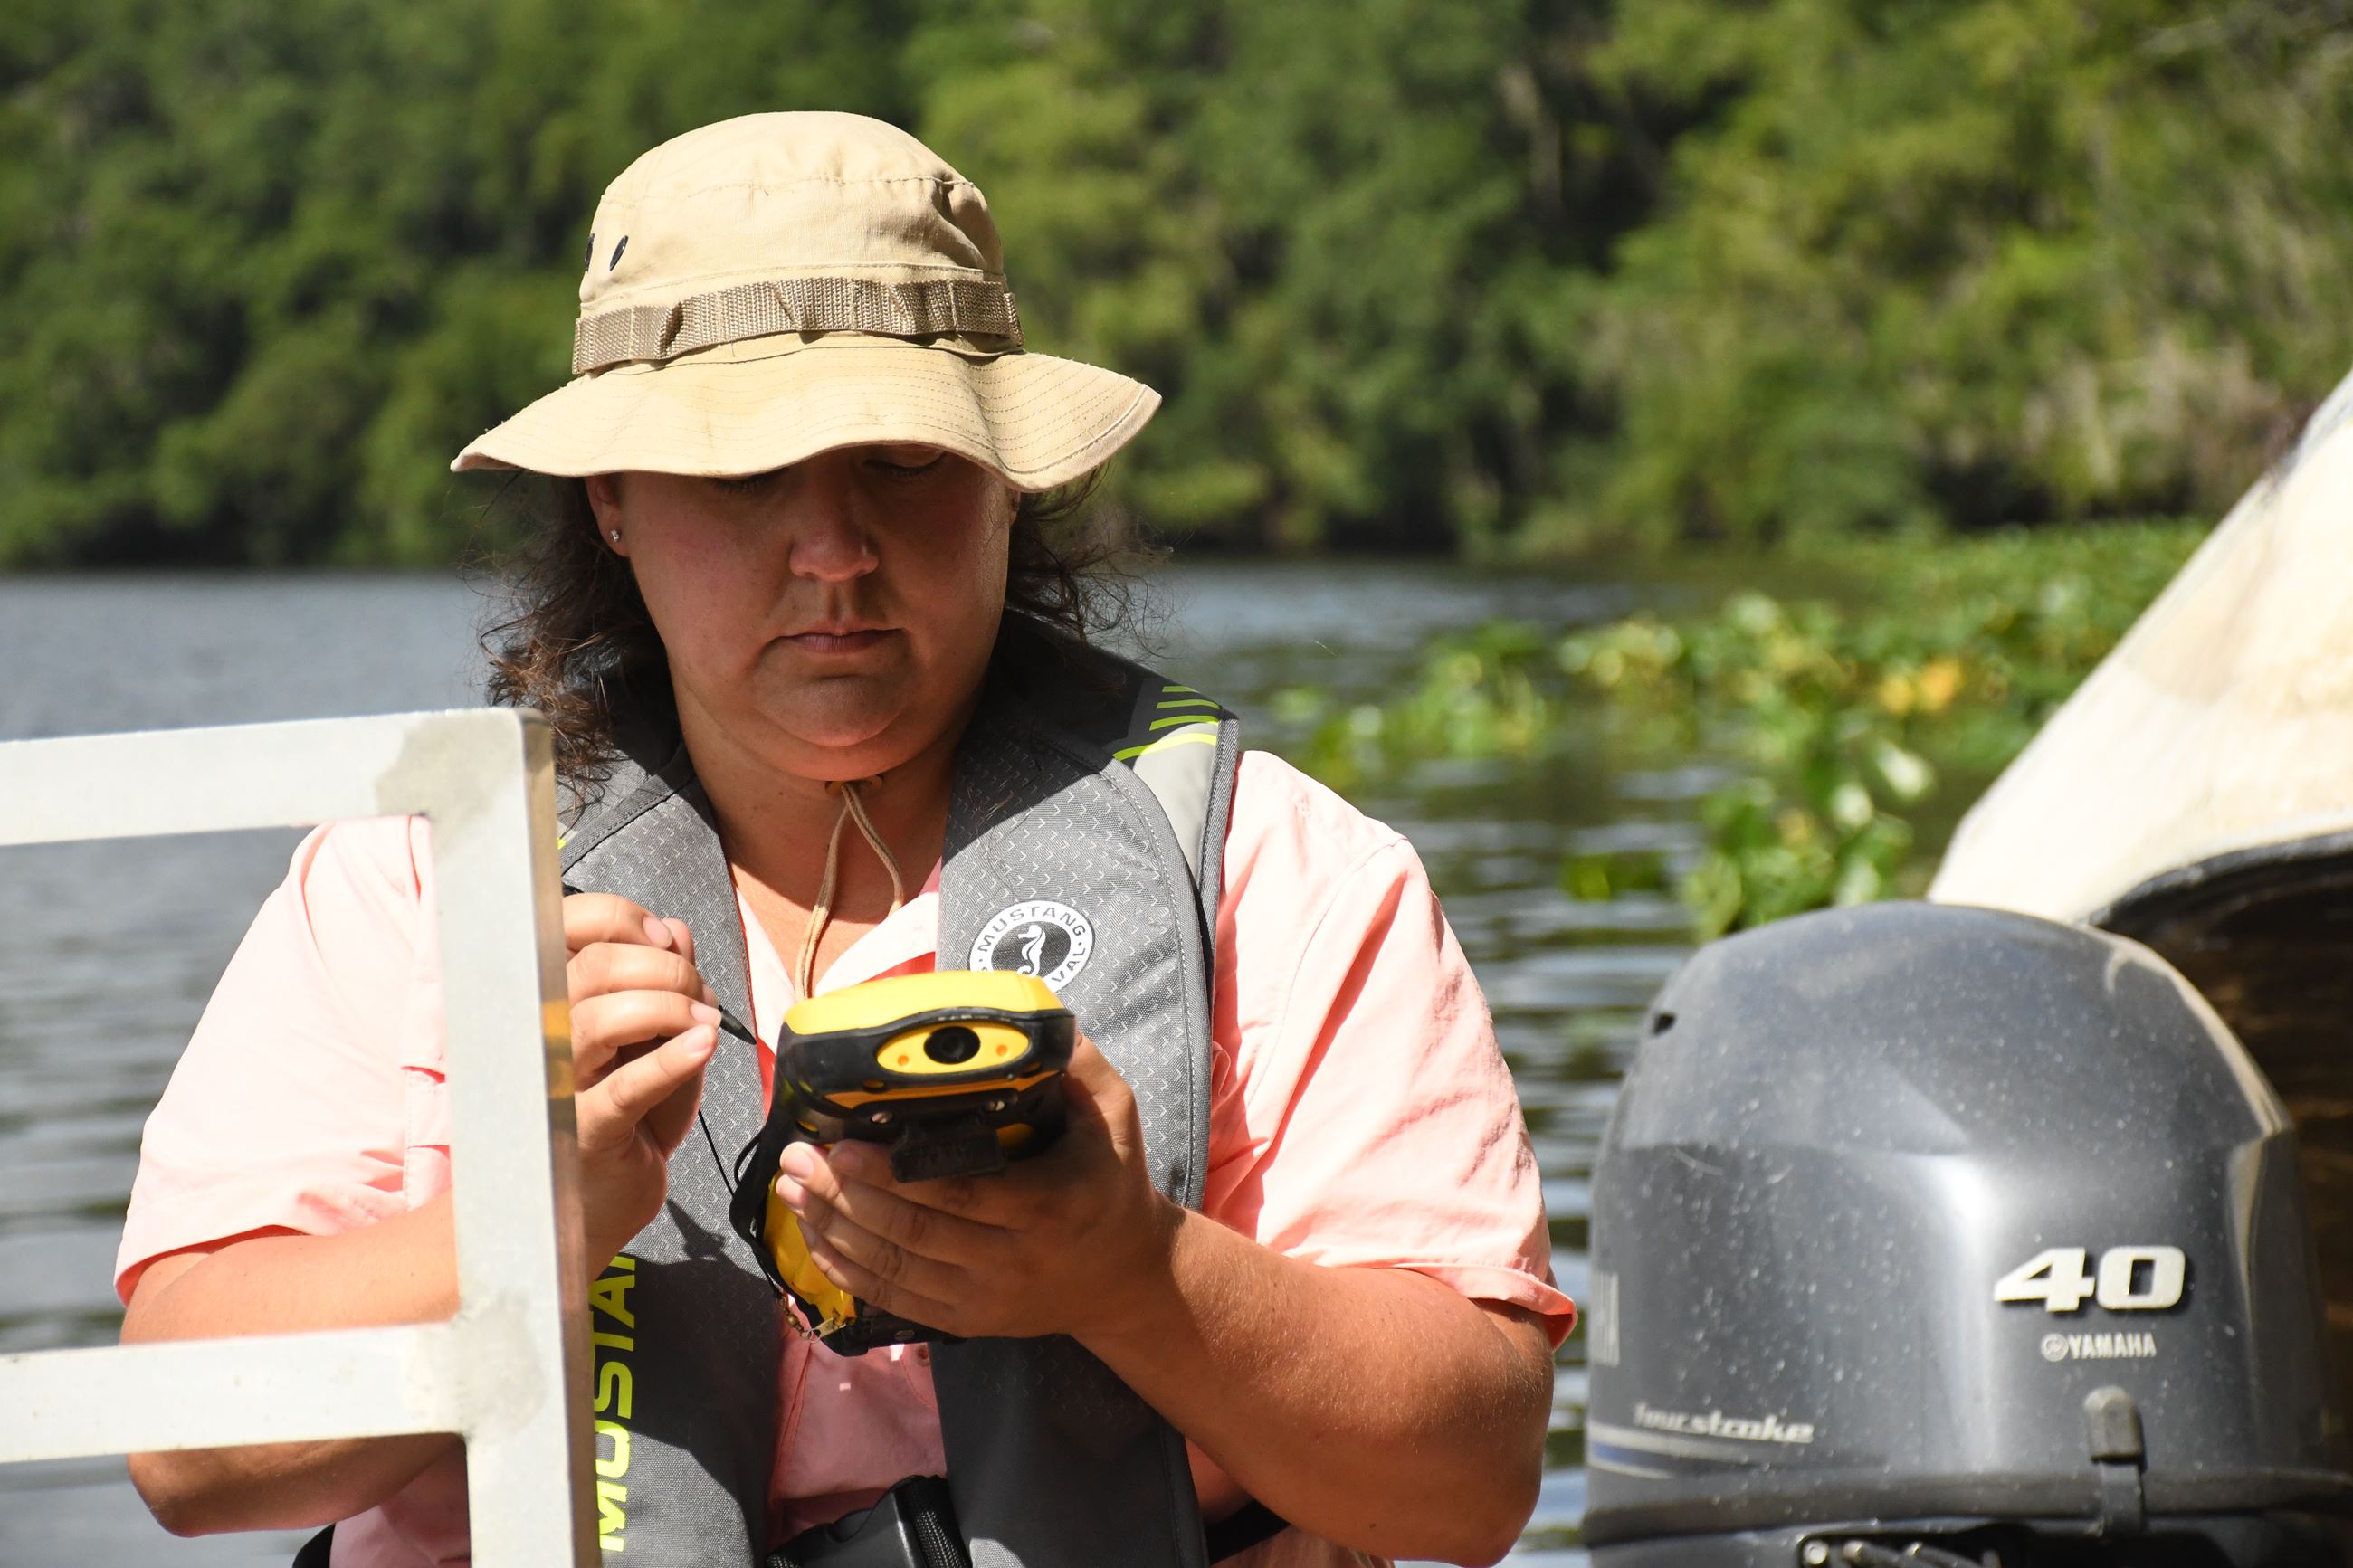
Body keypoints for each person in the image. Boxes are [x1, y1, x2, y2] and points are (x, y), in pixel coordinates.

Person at [113, 112, 1571, 1568]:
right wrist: (518, 1222)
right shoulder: (416, 885)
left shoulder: (1273, 870)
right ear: (610, 503)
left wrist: (1135, 1271)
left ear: (1009, 478)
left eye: (901, 460)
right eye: (744, 475)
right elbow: (186, 1451)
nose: (833, 551)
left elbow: (1478, 1479)